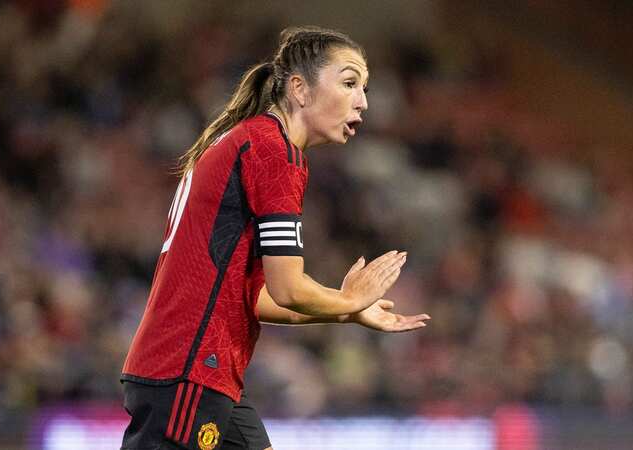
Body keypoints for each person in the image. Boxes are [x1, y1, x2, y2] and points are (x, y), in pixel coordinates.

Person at [120, 26, 430, 450]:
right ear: (300, 89)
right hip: (189, 369)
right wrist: (349, 300)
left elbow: (256, 297)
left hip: (201, 371)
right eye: (349, 82)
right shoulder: (273, 150)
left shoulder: (250, 141)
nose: (363, 101)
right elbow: (287, 289)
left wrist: (345, 312)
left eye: (365, 87)